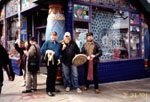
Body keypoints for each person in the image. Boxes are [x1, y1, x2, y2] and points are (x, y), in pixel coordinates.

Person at [41, 31, 61, 97]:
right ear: (50, 36)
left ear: (56, 36)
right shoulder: (47, 42)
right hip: (49, 61)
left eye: (55, 35)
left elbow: (59, 53)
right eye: (52, 35)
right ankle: (48, 90)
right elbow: (42, 50)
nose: (54, 37)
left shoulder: (58, 44)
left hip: (56, 61)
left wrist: (59, 59)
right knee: (50, 75)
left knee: (54, 75)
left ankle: (53, 88)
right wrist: (48, 51)